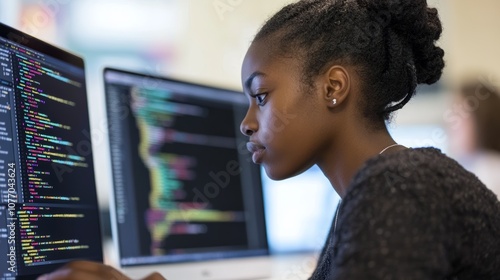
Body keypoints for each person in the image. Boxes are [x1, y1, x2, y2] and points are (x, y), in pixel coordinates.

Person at [38, 0, 500, 279]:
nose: (246, 122)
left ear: (333, 88)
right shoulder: (381, 184)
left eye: (260, 96)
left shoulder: (399, 187)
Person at [447, 78, 500, 198]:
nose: (452, 123)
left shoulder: (491, 172)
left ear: (483, 119)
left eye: (460, 114)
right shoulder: (463, 166)